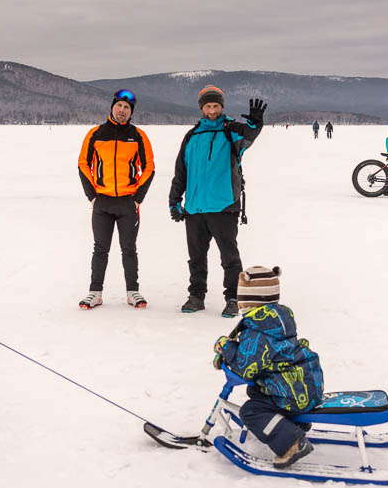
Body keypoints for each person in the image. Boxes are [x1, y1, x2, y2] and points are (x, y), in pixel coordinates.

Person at [213, 265, 324, 469]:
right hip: (303, 385)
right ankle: (294, 424)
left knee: (251, 411)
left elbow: (244, 368)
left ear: (247, 301)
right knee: (256, 391)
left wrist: (226, 348)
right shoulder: (274, 321)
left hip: (290, 393)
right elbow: (260, 354)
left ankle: (291, 442)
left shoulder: (257, 333)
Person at [168, 85, 265, 317]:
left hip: (223, 206)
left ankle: (233, 298)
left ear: (222, 107)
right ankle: (196, 296)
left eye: (216, 105)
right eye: (208, 106)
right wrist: (174, 200)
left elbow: (249, 134)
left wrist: (256, 123)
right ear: (202, 108)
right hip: (194, 207)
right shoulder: (191, 136)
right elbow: (181, 171)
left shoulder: (231, 130)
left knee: (229, 257)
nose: (212, 110)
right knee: (196, 257)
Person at [77, 89, 155, 308]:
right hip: (102, 202)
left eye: (127, 108)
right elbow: (84, 163)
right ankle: (95, 292)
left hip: (128, 203)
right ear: (112, 107)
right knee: (100, 249)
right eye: (119, 105)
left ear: (131, 112)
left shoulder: (138, 136)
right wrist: (92, 195)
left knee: (128, 248)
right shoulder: (96, 134)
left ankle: (133, 292)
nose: (122, 110)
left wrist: (137, 197)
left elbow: (148, 167)